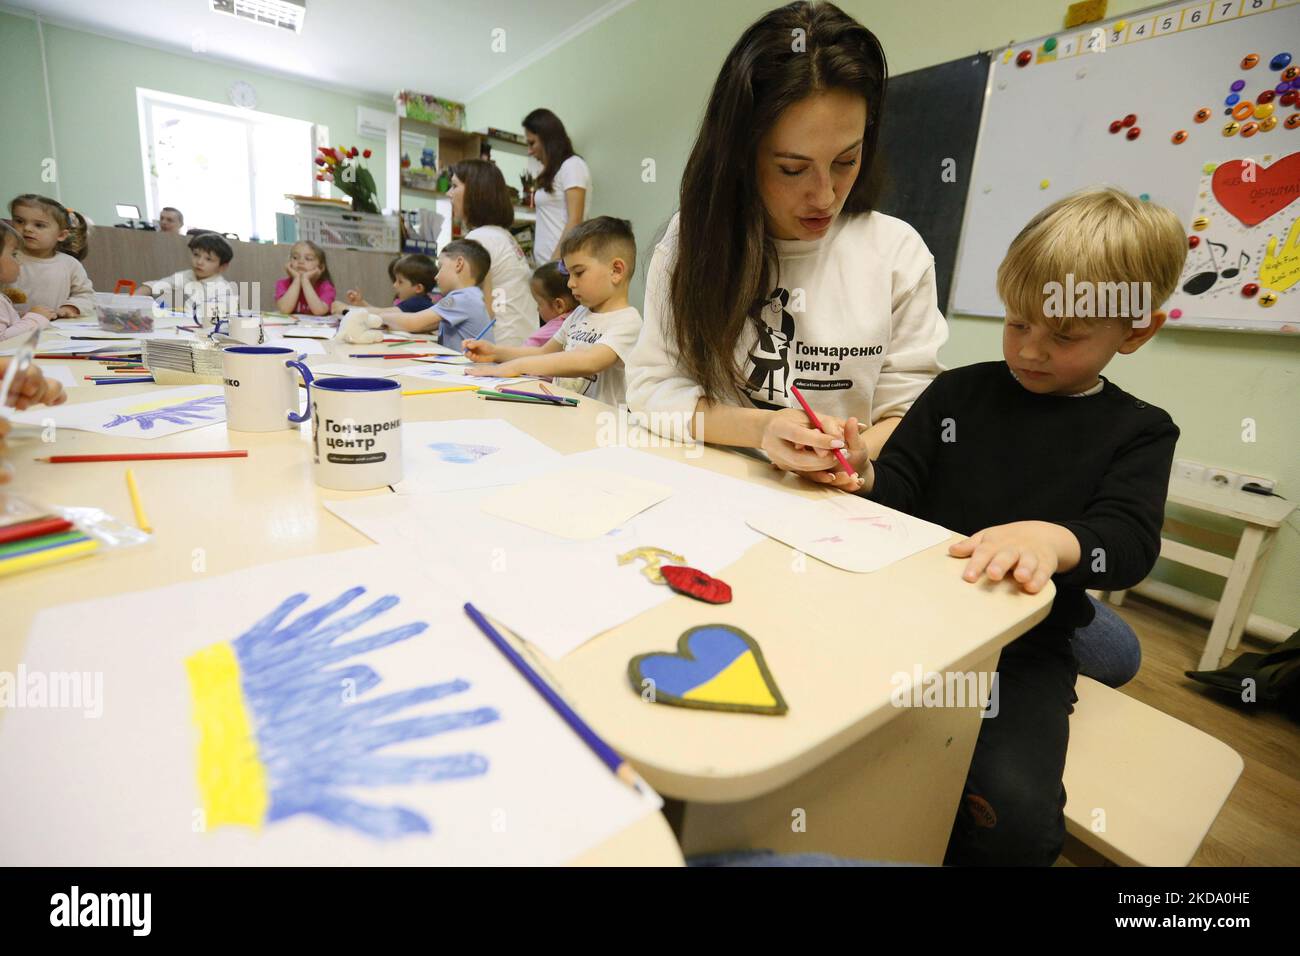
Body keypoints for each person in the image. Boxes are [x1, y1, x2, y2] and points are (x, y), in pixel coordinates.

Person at [842, 187, 1186, 865]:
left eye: (1063, 336)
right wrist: (862, 476)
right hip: (904, 613)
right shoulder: (958, 392)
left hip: (1023, 647)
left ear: (1137, 331)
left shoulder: (1139, 431)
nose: (1029, 350)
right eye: (1016, 323)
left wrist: (1055, 541)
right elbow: (902, 484)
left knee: (1017, 823)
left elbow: (1129, 542)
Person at [465, 216, 640, 406]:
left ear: (616, 270)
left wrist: (516, 366)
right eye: (569, 274)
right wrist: (495, 353)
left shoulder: (628, 322)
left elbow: (589, 361)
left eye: (579, 273)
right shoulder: (579, 314)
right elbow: (542, 352)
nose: (570, 283)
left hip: (597, 425)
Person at [448, 159, 538, 346]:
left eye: (454, 186)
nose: (449, 193)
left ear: (475, 192)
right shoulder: (503, 236)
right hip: (520, 342)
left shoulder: (479, 239)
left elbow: (476, 309)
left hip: (499, 346)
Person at [373, 241, 493, 352]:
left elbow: (413, 323)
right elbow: (425, 325)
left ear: (459, 264)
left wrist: (380, 317)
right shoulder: (472, 296)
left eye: (440, 267)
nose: (436, 277)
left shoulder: (462, 299)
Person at [8, 194, 95, 318]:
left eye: (39, 225)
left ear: (61, 235)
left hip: (55, 328)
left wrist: (72, 307)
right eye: (19, 221)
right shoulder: (6, 258)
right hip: (10, 328)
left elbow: (85, 295)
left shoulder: (70, 264)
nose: (27, 228)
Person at [523, 108, 591, 263]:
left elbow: (575, 221)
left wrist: (554, 265)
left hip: (560, 266)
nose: (529, 151)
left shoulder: (573, 166)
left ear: (547, 139)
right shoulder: (554, 172)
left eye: (532, 143)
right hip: (549, 265)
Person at [139, 233, 238, 319]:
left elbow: (214, 320)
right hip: (185, 328)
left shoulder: (224, 290)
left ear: (222, 267)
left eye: (208, 259)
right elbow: (154, 285)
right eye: (196, 255)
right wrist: (133, 300)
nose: (199, 262)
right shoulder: (187, 276)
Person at [523, 261, 577, 348]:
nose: (537, 309)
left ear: (559, 305)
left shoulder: (546, 334)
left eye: (539, 303)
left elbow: (525, 350)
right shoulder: (585, 315)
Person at [274, 240, 336, 316]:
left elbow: (319, 311)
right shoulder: (282, 284)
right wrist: (297, 279)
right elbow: (285, 309)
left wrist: (305, 280)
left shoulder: (326, 287)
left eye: (308, 258)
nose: (300, 261)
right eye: (295, 257)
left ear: (321, 267)